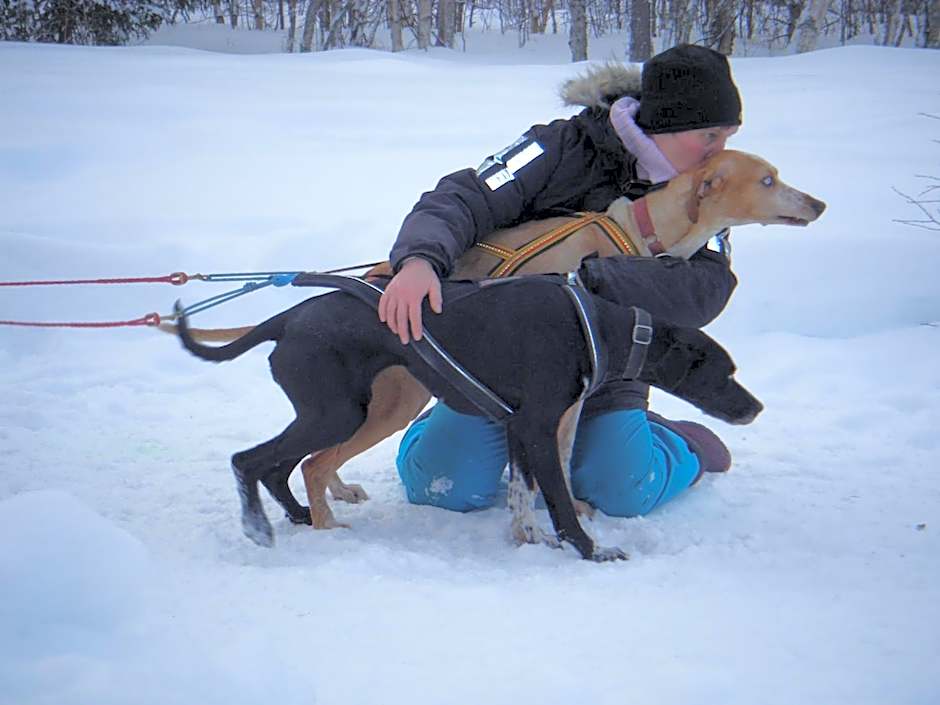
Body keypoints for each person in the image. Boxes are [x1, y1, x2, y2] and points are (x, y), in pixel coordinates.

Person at [377, 44, 743, 517]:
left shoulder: (708, 190)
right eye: (710, 135)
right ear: (666, 124)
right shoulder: (558, 145)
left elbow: (705, 289)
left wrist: (579, 283)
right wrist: (420, 259)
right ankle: (449, 423)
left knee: (619, 489)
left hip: (605, 365)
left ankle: (677, 444)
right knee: (444, 487)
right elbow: (465, 196)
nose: (721, 151)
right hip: (500, 356)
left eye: (729, 136)